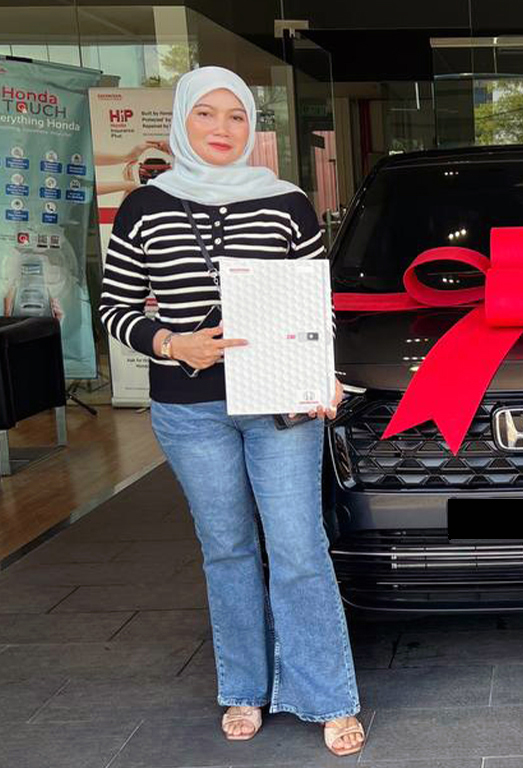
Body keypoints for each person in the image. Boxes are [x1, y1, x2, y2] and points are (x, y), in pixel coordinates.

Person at [98, 66, 364, 757]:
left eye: (236, 115)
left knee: (299, 547)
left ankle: (328, 697)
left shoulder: (287, 204)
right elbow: (115, 308)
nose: (221, 128)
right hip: (189, 409)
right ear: (182, 120)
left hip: (280, 402)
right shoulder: (145, 207)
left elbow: (317, 307)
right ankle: (244, 688)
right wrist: (171, 342)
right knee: (227, 549)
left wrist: (323, 375)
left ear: (252, 125)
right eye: (206, 114)